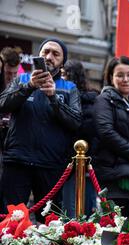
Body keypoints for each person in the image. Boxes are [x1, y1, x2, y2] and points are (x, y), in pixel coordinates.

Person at [0, 38, 82, 223]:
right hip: (17, 161)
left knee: (49, 225)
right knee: (10, 223)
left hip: (51, 165)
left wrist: (53, 98)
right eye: (45, 52)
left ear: (62, 61)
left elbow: (76, 121)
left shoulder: (69, 88)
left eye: (55, 54)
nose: (49, 57)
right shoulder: (22, 80)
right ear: (38, 55)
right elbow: (3, 103)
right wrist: (28, 87)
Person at [91, 56, 129, 218]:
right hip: (113, 174)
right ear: (111, 77)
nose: (125, 79)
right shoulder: (104, 100)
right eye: (120, 75)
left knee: (126, 226)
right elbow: (106, 133)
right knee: (112, 227)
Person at [60, 60, 99, 218]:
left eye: (64, 74)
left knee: (72, 209)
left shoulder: (84, 99)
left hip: (74, 159)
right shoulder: (92, 98)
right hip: (74, 160)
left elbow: (86, 129)